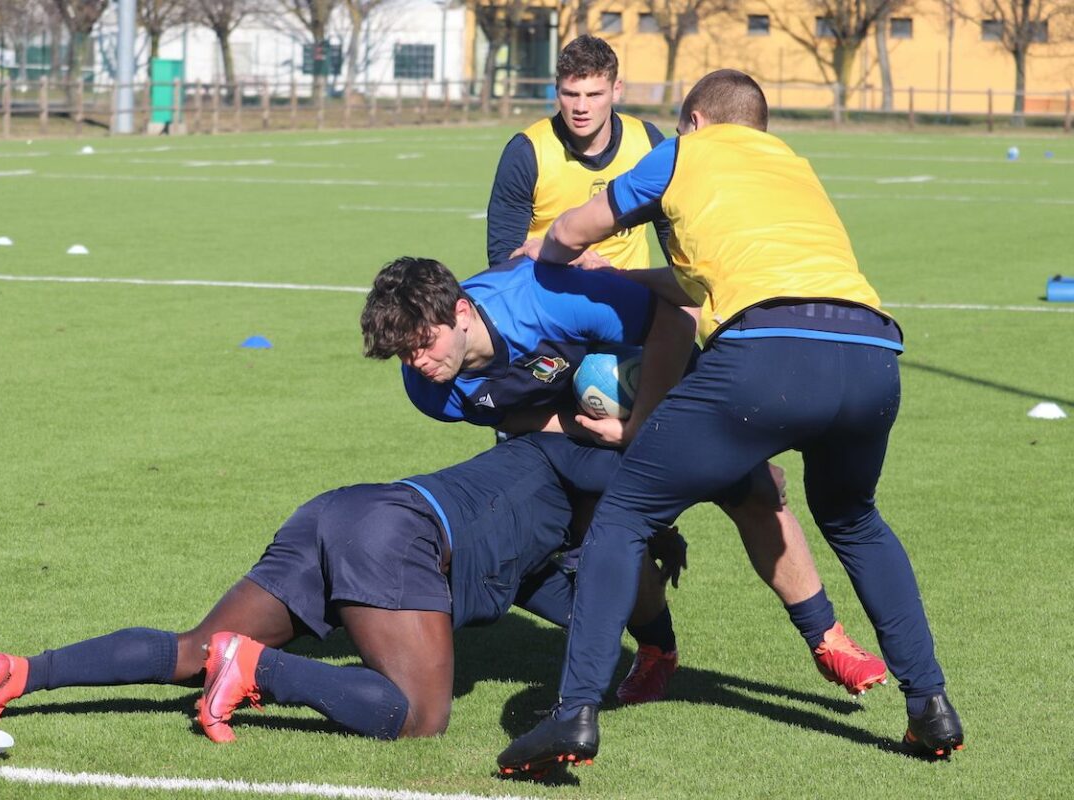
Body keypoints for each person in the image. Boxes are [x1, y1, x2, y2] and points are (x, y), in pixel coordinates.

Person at [499, 70, 964, 775]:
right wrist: (619, 279)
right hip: (872, 355)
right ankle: (930, 703)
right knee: (854, 519)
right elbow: (703, 281)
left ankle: (574, 714)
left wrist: (551, 261)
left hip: (766, 359)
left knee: (623, 517)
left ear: (693, 120)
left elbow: (573, 225)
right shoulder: (791, 163)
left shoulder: (688, 151)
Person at [360, 256, 887, 707]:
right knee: (605, 532)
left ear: (461, 311)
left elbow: (677, 324)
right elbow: (514, 419)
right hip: (571, 423)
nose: (418, 363)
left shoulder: (544, 297)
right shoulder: (429, 390)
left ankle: (828, 639)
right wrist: (588, 430)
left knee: (753, 494)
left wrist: (658, 433)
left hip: (662, 378)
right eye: (404, 354)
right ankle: (658, 650)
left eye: (424, 345)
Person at [0, 433, 677, 743]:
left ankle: (22, 673)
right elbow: (640, 489)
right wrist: (696, 506)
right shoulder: (579, 460)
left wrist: (650, 647)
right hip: (397, 532)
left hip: (341, 509)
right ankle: (259, 669)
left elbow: (580, 605)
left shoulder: (544, 533)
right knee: (418, 716)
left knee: (194, 649)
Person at [486, 34, 669, 270]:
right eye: (571, 94)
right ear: (556, 90)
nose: (581, 108)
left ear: (616, 90)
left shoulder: (648, 141)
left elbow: (671, 229)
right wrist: (565, 259)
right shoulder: (526, 152)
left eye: (594, 95)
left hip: (628, 296)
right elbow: (503, 259)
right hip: (550, 297)